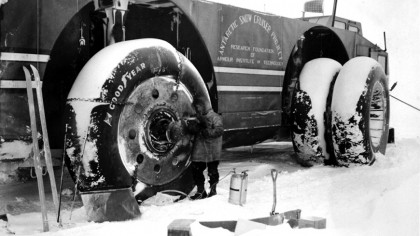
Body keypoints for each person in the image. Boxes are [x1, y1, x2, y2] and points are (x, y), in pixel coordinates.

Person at [189, 100, 223, 200]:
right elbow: (194, 130)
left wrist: (205, 132)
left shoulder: (214, 117)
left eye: (198, 107)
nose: (196, 110)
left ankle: (213, 190)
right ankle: (201, 191)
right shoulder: (198, 117)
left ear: (203, 106)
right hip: (200, 150)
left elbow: (219, 130)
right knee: (196, 169)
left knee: (212, 171)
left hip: (212, 150)